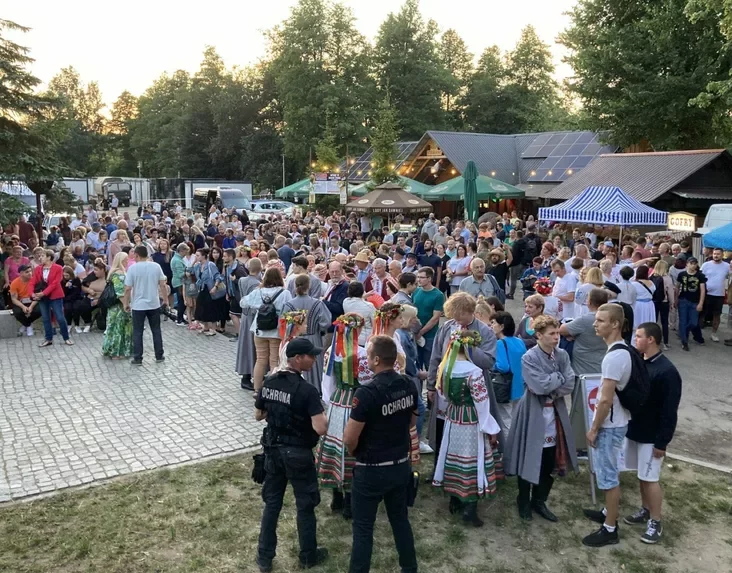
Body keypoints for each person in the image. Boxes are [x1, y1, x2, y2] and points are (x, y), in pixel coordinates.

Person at [343, 335, 419, 573]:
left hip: (371, 469)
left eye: (368, 356)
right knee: (400, 521)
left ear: (376, 360)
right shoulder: (409, 384)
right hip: (400, 465)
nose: (366, 360)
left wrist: (355, 452)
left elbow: (350, 437)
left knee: (363, 528)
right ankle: (409, 568)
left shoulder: (366, 393)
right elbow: (412, 421)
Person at [505, 314, 577, 522]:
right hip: (532, 412)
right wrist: (556, 378)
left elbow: (570, 382)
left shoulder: (562, 355)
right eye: (551, 334)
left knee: (549, 460)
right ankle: (523, 500)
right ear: (539, 335)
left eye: (557, 333)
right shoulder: (529, 357)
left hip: (555, 413)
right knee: (529, 456)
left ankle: (539, 500)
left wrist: (551, 385)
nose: (556, 337)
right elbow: (538, 386)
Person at [619, 322, 683, 545]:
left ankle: (656, 521)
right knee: (642, 475)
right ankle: (645, 509)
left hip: (652, 436)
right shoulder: (640, 362)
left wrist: (662, 442)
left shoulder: (667, 372)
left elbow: (669, 410)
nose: (635, 340)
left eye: (638, 336)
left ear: (651, 339)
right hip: (635, 429)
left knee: (650, 478)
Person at [432, 329, 502, 526]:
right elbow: (482, 403)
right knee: (471, 459)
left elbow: (443, 395)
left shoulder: (445, 368)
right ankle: (469, 507)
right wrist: (490, 428)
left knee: (453, 455)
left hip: (453, 418)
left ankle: (454, 500)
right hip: (471, 421)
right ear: (470, 347)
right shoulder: (474, 372)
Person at [582, 303, 634, 547]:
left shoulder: (614, 357)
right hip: (616, 422)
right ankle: (607, 512)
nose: (595, 324)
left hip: (610, 425)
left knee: (608, 476)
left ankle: (610, 528)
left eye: (601, 320)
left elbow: (605, 400)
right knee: (608, 472)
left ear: (615, 324)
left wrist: (594, 429)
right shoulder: (621, 350)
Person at [317, 313, 371, 519]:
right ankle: (349, 500)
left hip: (338, 402)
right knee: (352, 446)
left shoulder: (332, 351)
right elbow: (367, 382)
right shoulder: (363, 354)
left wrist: (331, 401)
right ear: (357, 330)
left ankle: (336, 496)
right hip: (357, 402)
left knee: (336, 445)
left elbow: (327, 382)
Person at [561, 288, 611, 450]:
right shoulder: (610, 318)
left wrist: (573, 335)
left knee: (580, 410)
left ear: (589, 301)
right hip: (602, 369)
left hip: (582, 371)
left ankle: (579, 444)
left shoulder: (586, 319)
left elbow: (563, 330)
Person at [243, 267, 293, 391]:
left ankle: (257, 389)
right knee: (274, 361)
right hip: (276, 331)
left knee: (260, 360)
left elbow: (243, 302)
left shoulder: (258, 291)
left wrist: (258, 307)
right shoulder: (285, 293)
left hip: (259, 330)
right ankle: (272, 390)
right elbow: (290, 309)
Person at [282, 274, 332, 394]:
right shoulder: (317, 303)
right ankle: (315, 391)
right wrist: (318, 329)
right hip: (313, 338)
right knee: (314, 365)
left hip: (295, 338)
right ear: (309, 286)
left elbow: (283, 325)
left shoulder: (289, 304)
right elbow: (326, 322)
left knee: (295, 364)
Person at [123, 245, 167, 365]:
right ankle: (159, 355)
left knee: (137, 332)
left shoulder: (132, 268)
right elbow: (162, 284)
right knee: (156, 330)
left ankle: (138, 358)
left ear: (136, 255)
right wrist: (165, 300)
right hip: (153, 303)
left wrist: (126, 303)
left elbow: (127, 288)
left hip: (138, 305)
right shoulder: (156, 266)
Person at [490, 311, 527, 437]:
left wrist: (492, 364)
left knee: (506, 420)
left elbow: (503, 366)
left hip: (505, 387)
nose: (491, 326)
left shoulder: (500, 343)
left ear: (501, 326)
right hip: (520, 385)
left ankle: (509, 446)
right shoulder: (519, 341)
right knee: (516, 418)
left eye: (493, 323)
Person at [29, 250, 74, 347]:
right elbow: (33, 281)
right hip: (42, 297)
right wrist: (32, 293)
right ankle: (48, 339)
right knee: (46, 318)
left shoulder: (58, 268)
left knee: (60, 317)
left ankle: (66, 337)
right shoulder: (38, 269)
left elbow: (55, 283)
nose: (40, 258)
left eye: (42, 256)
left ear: (49, 257)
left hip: (55, 295)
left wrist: (44, 293)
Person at [236, 258, 263, 391]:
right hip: (252, 317)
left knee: (245, 345)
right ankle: (249, 375)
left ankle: (246, 374)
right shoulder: (257, 284)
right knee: (252, 346)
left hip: (245, 316)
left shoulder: (242, 280)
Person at [102, 252, 133, 359]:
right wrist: (126, 304)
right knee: (119, 328)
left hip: (115, 306)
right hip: (119, 306)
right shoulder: (119, 274)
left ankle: (110, 349)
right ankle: (116, 352)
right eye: (125, 260)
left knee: (114, 327)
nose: (127, 261)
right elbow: (120, 292)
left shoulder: (114, 272)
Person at [413, 266, 444, 370]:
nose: (419, 280)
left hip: (430, 335)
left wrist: (421, 332)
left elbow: (435, 318)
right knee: (416, 365)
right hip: (415, 333)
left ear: (429, 278)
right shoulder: (416, 291)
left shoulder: (438, 295)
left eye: (422, 277)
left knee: (430, 365)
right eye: (418, 277)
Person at [675, 257, 706, 351]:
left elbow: (702, 290)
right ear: (687, 264)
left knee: (693, 322)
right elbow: (677, 287)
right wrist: (675, 300)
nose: (693, 265)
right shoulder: (682, 274)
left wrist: (701, 303)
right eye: (691, 263)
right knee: (683, 321)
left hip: (695, 302)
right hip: (683, 300)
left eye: (695, 264)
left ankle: (683, 331)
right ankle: (684, 342)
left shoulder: (700, 276)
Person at [192, 248, 225, 336]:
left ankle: (213, 329)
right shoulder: (197, 266)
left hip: (210, 288)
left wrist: (215, 287)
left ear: (203, 256)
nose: (196, 257)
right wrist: (194, 262)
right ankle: (205, 326)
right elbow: (189, 271)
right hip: (202, 288)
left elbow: (217, 276)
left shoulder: (210, 265)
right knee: (201, 307)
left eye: (198, 255)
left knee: (211, 307)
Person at [700, 248, 730, 342]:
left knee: (717, 315)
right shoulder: (706, 265)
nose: (716, 255)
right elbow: (700, 278)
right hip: (706, 293)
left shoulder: (727, 266)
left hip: (719, 295)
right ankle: (698, 333)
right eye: (714, 254)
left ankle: (714, 333)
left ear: (722, 255)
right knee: (702, 313)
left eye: (718, 254)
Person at [9, 264, 41, 336]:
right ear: (21, 273)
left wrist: (31, 307)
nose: (30, 273)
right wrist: (23, 307)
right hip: (21, 302)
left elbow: (37, 296)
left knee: (39, 310)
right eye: (27, 272)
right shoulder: (14, 283)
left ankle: (26, 324)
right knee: (17, 312)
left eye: (30, 271)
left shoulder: (36, 281)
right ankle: (28, 325)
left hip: (33, 301)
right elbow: (14, 299)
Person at [650, 260, 675, 350]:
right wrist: (672, 303)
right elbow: (670, 292)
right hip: (664, 302)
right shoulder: (667, 278)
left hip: (653, 302)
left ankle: (653, 341)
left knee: (654, 322)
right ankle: (665, 342)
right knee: (664, 322)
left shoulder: (651, 277)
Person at [343, 281, 376, 345]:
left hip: (350, 337)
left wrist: (365, 296)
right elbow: (375, 324)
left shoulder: (345, 302)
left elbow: (356, 300)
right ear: (362, 291)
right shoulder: (369, 306)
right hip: (365, 339)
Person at [631, 265, 656, 346]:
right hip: (649, 305)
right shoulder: (651, 283)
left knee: (637, 324)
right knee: (648, 324)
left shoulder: (634, 284)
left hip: (638, 305)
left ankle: (635, 343)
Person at [171, 243, 189, 326]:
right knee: (182, 301)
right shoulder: (177, 260)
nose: (186, 254)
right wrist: (187, 272)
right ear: (182, 251)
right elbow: (180, 274)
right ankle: (180, 319)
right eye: (185, 252)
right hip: (179, 283)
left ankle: (180, 317)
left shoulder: (176, 258)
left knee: (181, 300)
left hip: (177, 282)